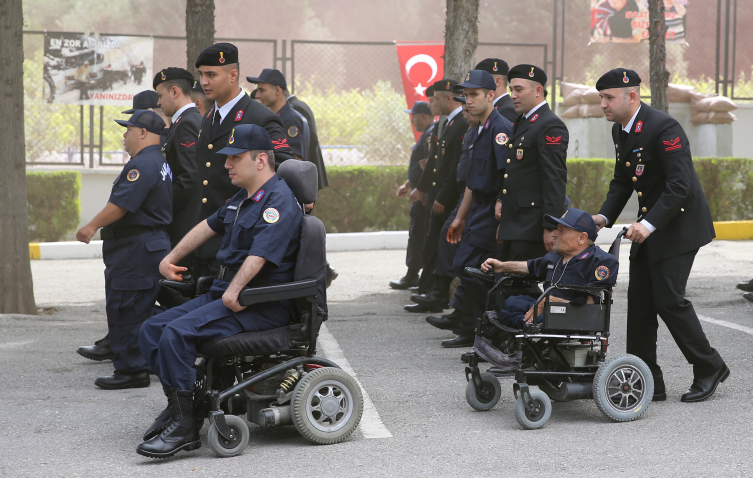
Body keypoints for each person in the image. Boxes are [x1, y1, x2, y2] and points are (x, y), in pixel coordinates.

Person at [136, 124, 302, 458]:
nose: (227, 164)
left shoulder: (278, 201)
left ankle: (185, 429)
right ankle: (182, 408)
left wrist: (234, 291)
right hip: (228, 293)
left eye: (235, 158)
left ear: (260, 161)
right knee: (152, 329)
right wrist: (169, 258)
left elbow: (260, 255)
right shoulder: (245, 197)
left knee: (177, 334)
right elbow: (208, 226)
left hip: (256, 302)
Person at [592, 67, 729, 402]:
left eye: (608, 98)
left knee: (668, 299)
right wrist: (603, 217)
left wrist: (648, 224)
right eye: (601, 98)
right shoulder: (620, 131)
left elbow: (679, 186)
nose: (603, 105)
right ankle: (647, 379)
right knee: (639, 304)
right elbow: (623, 181)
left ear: (632, 96)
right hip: (650, 227)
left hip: (679, 226)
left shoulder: (663, 127)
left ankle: (709, 366)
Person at [75, 110, 172, 389]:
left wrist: (90, 227)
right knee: (137, 308)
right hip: (144, 244)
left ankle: (131, 371)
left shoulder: (142, 165)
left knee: (126, 307)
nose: (124, 135)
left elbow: (121, 205)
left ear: (143, 133)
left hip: (136, 248)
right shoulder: (157, 162)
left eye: (128, 129)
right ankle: (139, 364)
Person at [423, 70, 514, 348]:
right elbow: (472, 184)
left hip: (493, 212)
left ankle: (494, 332)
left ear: (491, 95)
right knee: (465, 267)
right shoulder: (476, 130)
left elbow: (508, 178)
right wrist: (460, 217)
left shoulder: (500, 130)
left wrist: (502, 217)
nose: (469, 100)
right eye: (467, 95)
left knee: (471, 268)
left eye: (475, 95)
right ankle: (481, 331)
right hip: (478, 209)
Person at [193, 43, 295, 279]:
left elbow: (285, 171)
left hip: (240, 242)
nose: (204, 82)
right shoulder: (210, 116)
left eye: (211, 75)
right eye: (201, 75)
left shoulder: (260, 117)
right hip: (207, 239)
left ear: (233, 75)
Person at [480, 209, 619, 368]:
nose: (554, 234)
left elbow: (590, 305)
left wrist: (553, 302)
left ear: (582, 238)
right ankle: (522, 347)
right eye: (556, 229)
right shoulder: (556, 256)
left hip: (571, 315)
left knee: (511, 314)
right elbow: (531, 266)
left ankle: (522, 350)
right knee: (511, 302)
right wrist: (501, 266)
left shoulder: (601, 262)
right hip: (546, 308)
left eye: (561, 231)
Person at [405, 79, 467, 313]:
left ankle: (436, 293)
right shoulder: (448, 123)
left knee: (439, 244)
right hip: (438, 194)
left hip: (448, 198)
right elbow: (435, 162)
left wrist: (441, 196)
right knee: (432, 243)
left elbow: (454, 168)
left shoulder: (460, 124)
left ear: (448, 99)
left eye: (437, 99)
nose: (433, 103)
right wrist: (421, 188)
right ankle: (430, 291)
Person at [496, 64, 568, 261]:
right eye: (512, 90)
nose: (513, 95)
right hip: (517, 221)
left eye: (519, 89)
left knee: (521, 284)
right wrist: (502, 199)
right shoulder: (524, 120)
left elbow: (554, 179)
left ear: (538, 90)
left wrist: (551, 226)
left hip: (532, 225)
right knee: (508, 283)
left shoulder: (549, 125)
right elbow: (517, 171)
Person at [423, 97, 476, 329]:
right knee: (459, 253)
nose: (465, 111)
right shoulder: (472, 130)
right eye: (463, 106)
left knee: (467, 258)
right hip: (467, 196)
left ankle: (455, 307)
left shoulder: (485, 130)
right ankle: (458, 312)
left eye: (468, 107)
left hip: (479, 201)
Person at [153, 68, 202, 250]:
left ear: (175, 91)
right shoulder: (185, 121)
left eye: (160, 96)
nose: (158, 103)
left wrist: (159, 209)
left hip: (185, 222)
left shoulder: (187, 123)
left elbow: (188, 178)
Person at [390, 101, 435, 289]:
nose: (412, 120)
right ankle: (416, 274)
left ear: (423, 116)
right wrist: (409, 184)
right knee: (417, 233)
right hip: (419, 190)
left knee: (418, 234)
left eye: (413, 116)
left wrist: (423, 193)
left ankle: (413, 274)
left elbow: (430, 167)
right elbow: (421, 166)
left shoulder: (430, 135)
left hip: (423, 194)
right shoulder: (427, 134)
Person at [247, 68, 310, 162]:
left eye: (262, 90)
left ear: (277, 90)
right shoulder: (278, 117)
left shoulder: (289, 119)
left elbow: (296, 161)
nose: (257, 95)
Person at [286, 88, 330, 190]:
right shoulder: (299, 104)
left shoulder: (295, 107)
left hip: (306, 170)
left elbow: (312, 139)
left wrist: (302, 161)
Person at [474, 58, 517, 122]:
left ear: (497, 81)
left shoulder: (507, 110)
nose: (476, 85)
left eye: (481, 80)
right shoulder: (498, 106)